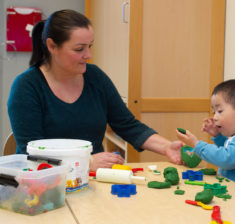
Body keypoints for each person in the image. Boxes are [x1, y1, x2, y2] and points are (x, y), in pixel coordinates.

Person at [7, 9, 184, 171]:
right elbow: (33, 155)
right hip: (45, 186)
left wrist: (167, 147)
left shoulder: (95, 77)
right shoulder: (26, 87)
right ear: (52, 46)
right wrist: (87, 163)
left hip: (93, 180)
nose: (88, 55)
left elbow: (128, 125)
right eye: (79, 49)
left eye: (89, 46)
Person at [176, 79, 235, 189]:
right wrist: (217, 136)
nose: (215, 117)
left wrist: (196, 144)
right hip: (233, 193)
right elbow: (230, 151)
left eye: (220, 111)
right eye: (214, 112)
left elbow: (226, 158)